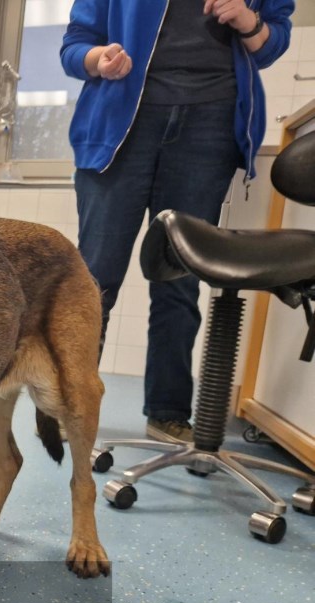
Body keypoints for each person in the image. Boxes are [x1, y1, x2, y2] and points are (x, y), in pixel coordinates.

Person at [61, 0, 294, 443]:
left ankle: (167, 411)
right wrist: (99, 59)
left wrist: (249, 21)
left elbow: (271, 44)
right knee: (93, 278)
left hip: (210, 126)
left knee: (179, 280)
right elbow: (74, 47)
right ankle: (68, 403)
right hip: (122, 123)